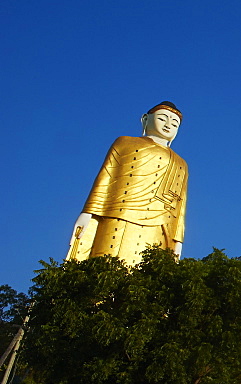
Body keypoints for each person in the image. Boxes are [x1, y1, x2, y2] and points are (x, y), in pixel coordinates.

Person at [68, 101, 187, 266]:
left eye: (175, 124)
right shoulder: (124, 143)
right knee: (108, 265)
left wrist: (177, 239)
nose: (168, 125)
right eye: (162, 118)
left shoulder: (180, 163)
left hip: (159, 226)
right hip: (118, 216)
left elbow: (180, 207)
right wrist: (88, 212)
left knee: (147, 277)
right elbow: (106, 177)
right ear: (145, 119)